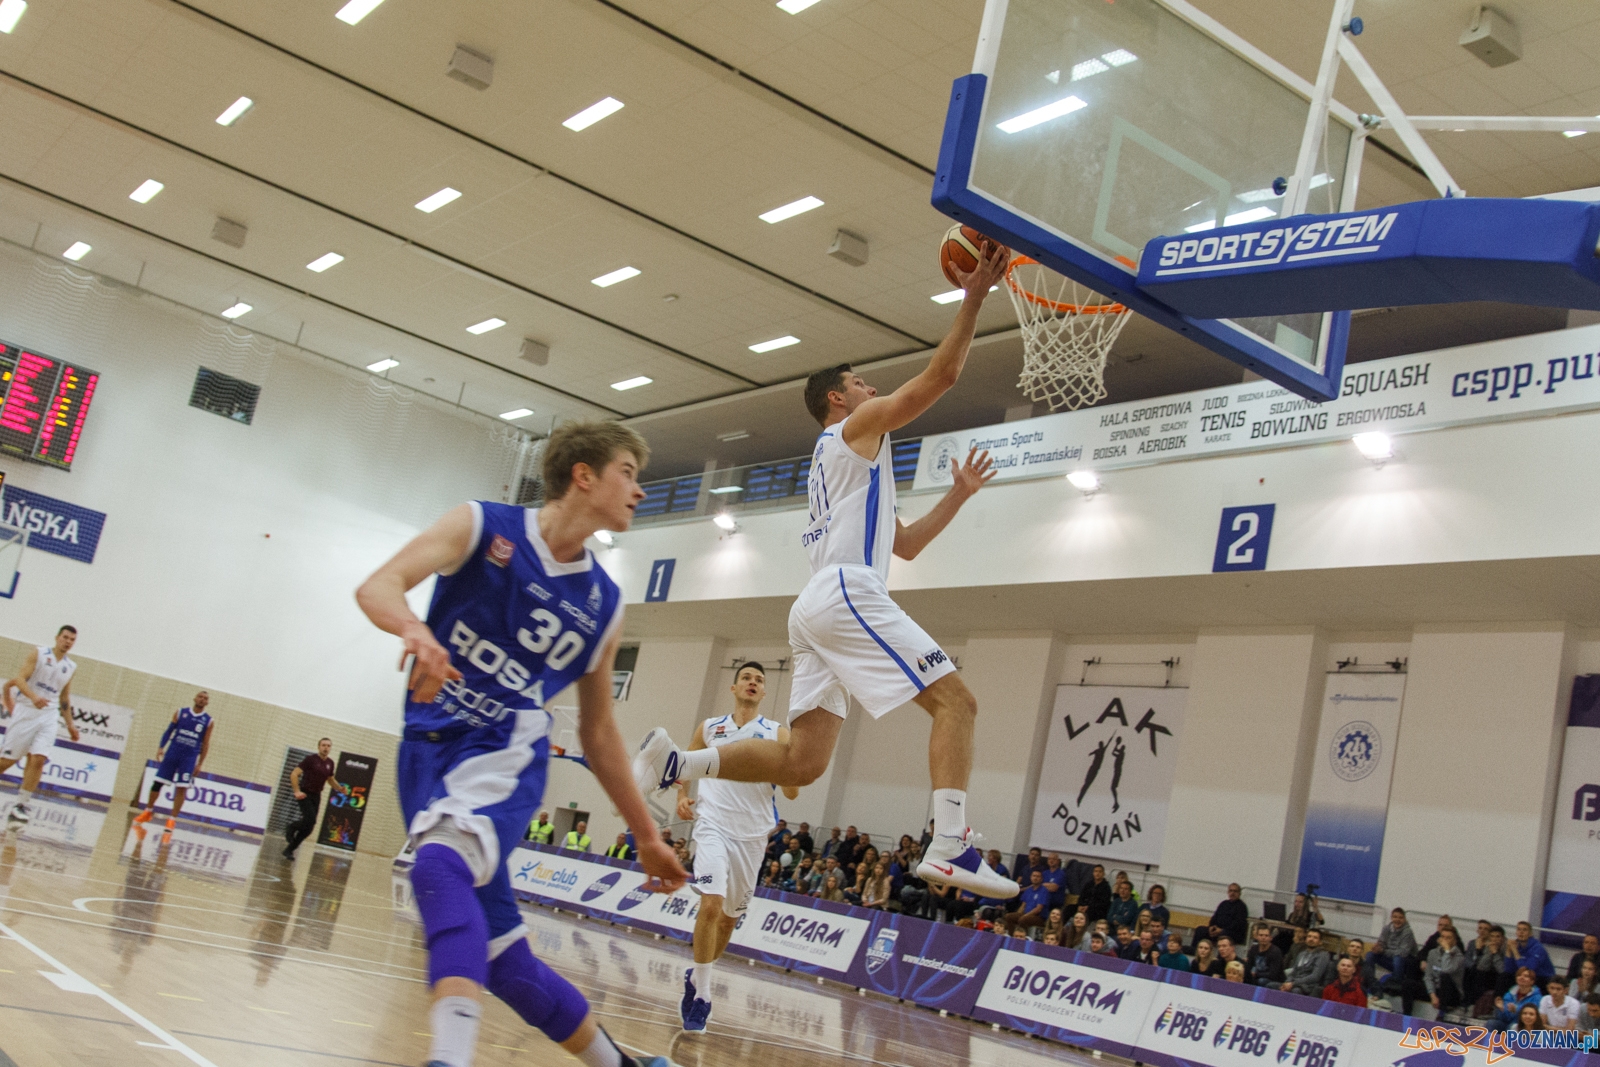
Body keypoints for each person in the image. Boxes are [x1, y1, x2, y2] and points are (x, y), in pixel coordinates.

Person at [632, 240, 1020, 900]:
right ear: (840, 398)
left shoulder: (846, 468)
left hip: (818, 604)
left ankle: (679, 761)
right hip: (844, 593)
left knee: (803, 763)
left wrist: (957, 495)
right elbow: (941, 379)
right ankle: (950, 842)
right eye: (864, 382)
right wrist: (975, 296)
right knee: (957, 700)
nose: (874, 388)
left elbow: (906, 546)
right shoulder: (854, 428)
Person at [355, 419, 687, 1067]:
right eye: (629, 471)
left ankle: (447, 1058)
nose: (639, 490)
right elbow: (378, 586)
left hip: (506, 749)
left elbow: (597, 731)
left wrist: (646, 832)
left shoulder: (603, 601)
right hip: (425, 748)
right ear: (582, 474)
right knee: (505, 961)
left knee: (436, 866)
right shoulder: (482, 526)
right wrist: (414, 629)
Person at [672, 661, 799, 1032]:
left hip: (752, 835)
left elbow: (791, 790)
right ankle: (704, 996)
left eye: (759, 681)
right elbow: (686, 763)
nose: (753, 683)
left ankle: (696, 977)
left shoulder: (777, 733)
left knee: (729, 917)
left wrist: (786, 769)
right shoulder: (711, 727)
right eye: (746, 677)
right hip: (712, 825)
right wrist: (683, 794)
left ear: (763, 693)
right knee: (710, 903)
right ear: (734, 687)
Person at [0, 626, 79, 825]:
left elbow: (64, 697)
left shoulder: (71, 666)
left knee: (38, 759)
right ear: (57, 637)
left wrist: (70, 724)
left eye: (72, 639)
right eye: (65, 637)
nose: (68, 642)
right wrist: (34, 697)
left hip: (49, 716)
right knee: (7, 762)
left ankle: (21, 805)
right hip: (26, 712)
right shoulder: (39, 653)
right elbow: (19, 679)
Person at [132, 693, 215, 832]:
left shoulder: (208, 721)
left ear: (207, 703)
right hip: (172, 753)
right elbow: (169, 730)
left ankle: (172, 820)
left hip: (189, 758)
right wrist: (160, 747)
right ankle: (148, 811)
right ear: (194, 698)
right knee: (158, 782)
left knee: (181, 788)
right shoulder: (181, 712)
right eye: (200, 697)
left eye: (205, 698)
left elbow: (205, 743)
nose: (202, 699)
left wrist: (200, 763)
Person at [282, 738, 350, 859]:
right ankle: (291, 827)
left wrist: (340, 788)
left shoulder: (330, 763)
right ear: (319, 747)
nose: (326, 748)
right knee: (310, 819)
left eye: (328, 746)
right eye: (323, 745)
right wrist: (297, 791)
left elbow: (330, 779)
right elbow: (294, 774)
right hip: (305, 793)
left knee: (309, 828)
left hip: (316, 795)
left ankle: (289, 849)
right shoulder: (310, 760)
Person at [1363, 907, 1418, 994]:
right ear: (1391, 918)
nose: (1397, 920)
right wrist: (1378, 948)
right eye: (1395, 917)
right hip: (1390, 958)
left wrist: (1383, 951)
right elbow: (1382, 942)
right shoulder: (1386, 928)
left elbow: (1403, 952)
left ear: (1404, 919)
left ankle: (1395, 985)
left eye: (1400, 917)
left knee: (1398, 958)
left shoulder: (1408, 932)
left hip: (1405, 963)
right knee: (1370, 955)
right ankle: (1369, 982)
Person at [1425, 927, 1467, 1014]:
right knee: (1409, 985)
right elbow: (1428, 977)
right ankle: (1405, 1016)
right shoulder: (1432, 953)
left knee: (1444, 976)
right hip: (1436, 989)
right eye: (1443, 937)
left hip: (1452, 993)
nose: (1445, 940)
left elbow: (1446, 969)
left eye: (1448, 938)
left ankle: (1441, 1013)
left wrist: (1447, 951)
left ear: (1454, 941)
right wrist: (1432, 995)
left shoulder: (1459, 957)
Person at [1195, 883, 1248, 950]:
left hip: (1233, 934)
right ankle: (1195, 951)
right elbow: (1214, 917)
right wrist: (1212, 927)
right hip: (1218, 930)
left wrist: (1221, 930)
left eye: (1235, 891)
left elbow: (1238, 924)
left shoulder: (1242, 907)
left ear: (1239, 893)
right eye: (1230, 891)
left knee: (1224, 934)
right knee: (1200, 930)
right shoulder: (1223, 904)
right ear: (1228, 892)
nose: (1232, 893)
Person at [1282, 928, 1334, 998]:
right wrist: (1287, 982)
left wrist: (1293, 983)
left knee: (1295, 991)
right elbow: (1294, 971)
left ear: (1320, 942)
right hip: (1294, 983)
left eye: (1315, 938)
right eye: (1309, 936)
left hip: (1308, 986)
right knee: (1271, 985)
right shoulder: (1301, 954)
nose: (1311, 939)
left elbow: (1315, 976)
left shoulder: (1323, 955)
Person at [1504, 921, 1555, 989]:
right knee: (1505, 976)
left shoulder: (1538, 948)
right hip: (1526, 977)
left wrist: (1515, 952)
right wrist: (1508, 950)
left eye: (1524, 930)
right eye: (1519, 929)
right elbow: (1509, 969)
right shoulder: (1516, 945)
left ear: (1530, 933)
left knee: (1527, 979)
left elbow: (1528, 969)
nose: (1521, 932)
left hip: (1542, 978)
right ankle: (1499, 999)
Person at [1493, 967, 1543, 1032]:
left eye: (1526, 976)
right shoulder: (1509, 994)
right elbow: (1504, 1019)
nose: (1521, 977)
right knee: (1492, 1024)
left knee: (1512, 1027)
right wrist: (1502, 1009)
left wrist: (1516, 1010)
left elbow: (1531, 1017)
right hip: (1508, 1023)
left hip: (1524, 1026)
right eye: (1519, 975)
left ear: (1532, 981)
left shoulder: (1537, 997)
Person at [1005, 869, 1051, 936]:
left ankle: (1023, 938)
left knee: (1023, 919)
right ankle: (1012, 936)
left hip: (1039, 917)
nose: (1035, 878)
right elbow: (1023, 905)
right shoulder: (1028, 890)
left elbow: (1039, 909)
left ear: (1041, 879)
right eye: (1034, 876)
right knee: (1009, 916)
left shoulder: (1044, 891)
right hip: (1026, 914)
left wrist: (1025, 915)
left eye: (1038, 876)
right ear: (1031, 877)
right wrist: (1018, 914)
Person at [1247, 923, 1286, 988]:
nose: (1263, 938)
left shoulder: (1275, 952)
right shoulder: (1253, 949)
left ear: (1270, 938)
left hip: (1275, 980)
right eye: (1261, 935)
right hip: (1258, 976)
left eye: (1266, 935)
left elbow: (1273, 974)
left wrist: (1256, 974)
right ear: (1257, 936)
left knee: (1261, 981)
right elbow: (1248, 965)